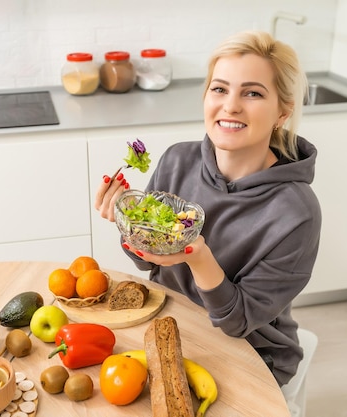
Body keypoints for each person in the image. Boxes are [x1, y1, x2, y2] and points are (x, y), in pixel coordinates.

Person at [94, 30, 321, 387]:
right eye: (220, 89)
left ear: (283, 111)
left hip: (253, 353)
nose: (230, 105)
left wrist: (198, 257)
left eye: (253, 92)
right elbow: (145, 260)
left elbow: (238, 321)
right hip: (170, 323)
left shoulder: (296, 213)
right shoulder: (177, 161)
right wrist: (128, 223)